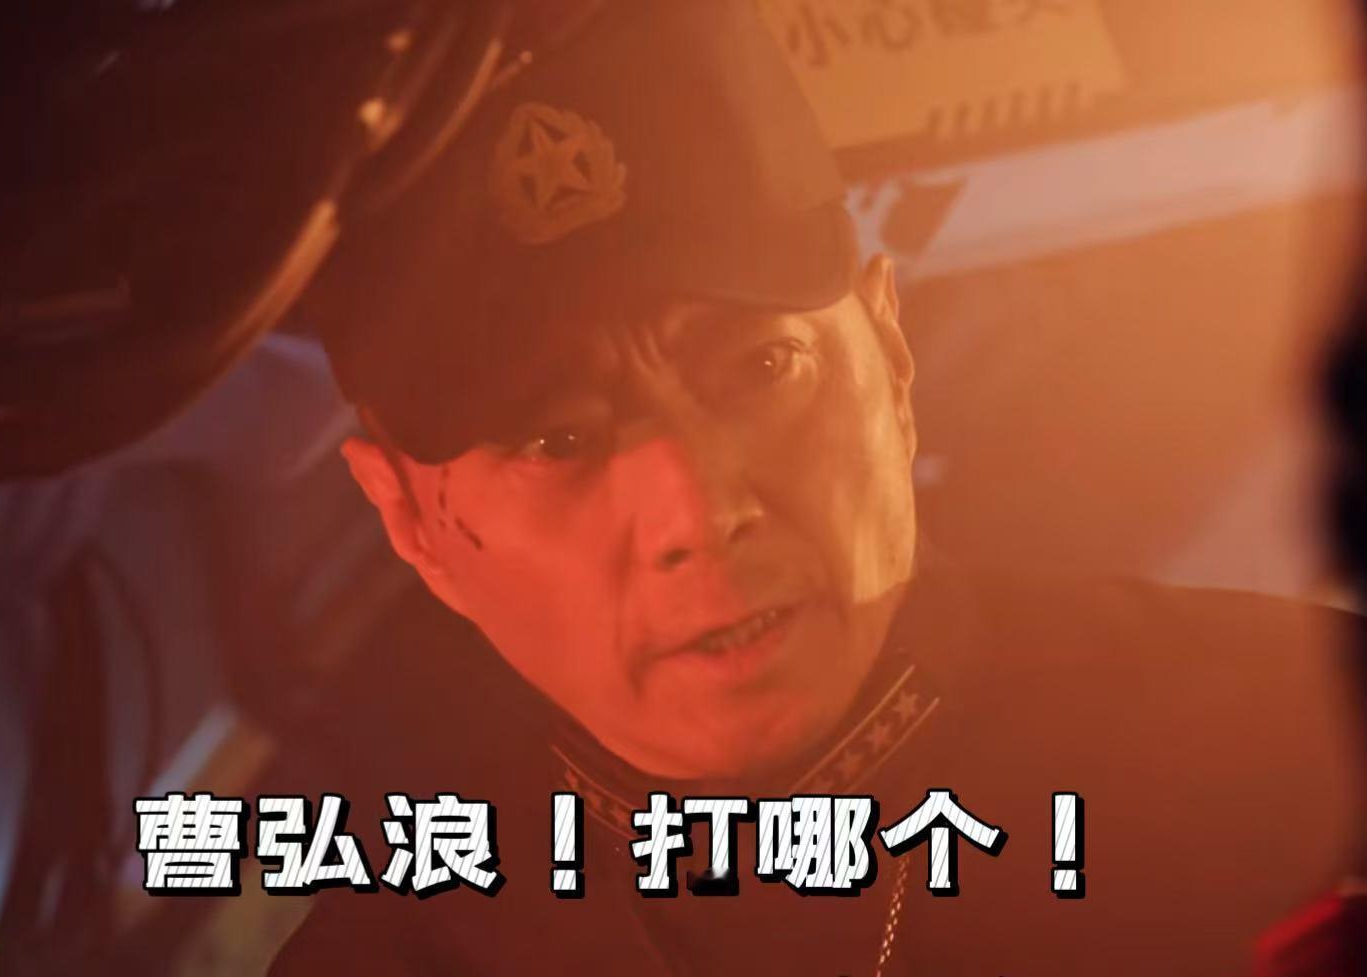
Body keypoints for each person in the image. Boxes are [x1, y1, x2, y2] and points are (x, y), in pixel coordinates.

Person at [271, 2, 1360, 974]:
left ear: (890, 352)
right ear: (413, 522)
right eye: (558, 439)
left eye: (761, 367)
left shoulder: (1304, 755)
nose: (699, 513)